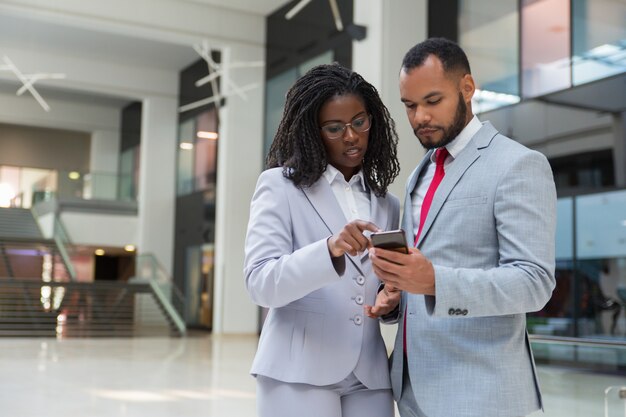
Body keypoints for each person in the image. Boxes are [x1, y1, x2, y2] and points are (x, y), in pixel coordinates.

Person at [366, 38, 557, 417]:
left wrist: (435, 282)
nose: (419, 116)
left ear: (467, 88)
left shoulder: (518, 165)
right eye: (410, 105)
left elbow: (534, 282)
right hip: (412, 390)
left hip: (482, 394)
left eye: (432, 101)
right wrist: (397, 297)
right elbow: (425, 271)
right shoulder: (420, 172)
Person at [244, 63, 401, 417]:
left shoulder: (387, 203)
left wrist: (391, 302)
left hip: (369, 374)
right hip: (298, 371)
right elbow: (261, 283)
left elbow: (378, 285)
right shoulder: (279, 187)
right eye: (334, 128)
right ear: (312, 133)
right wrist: (330, 249)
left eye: (360, 122)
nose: (351, 136)